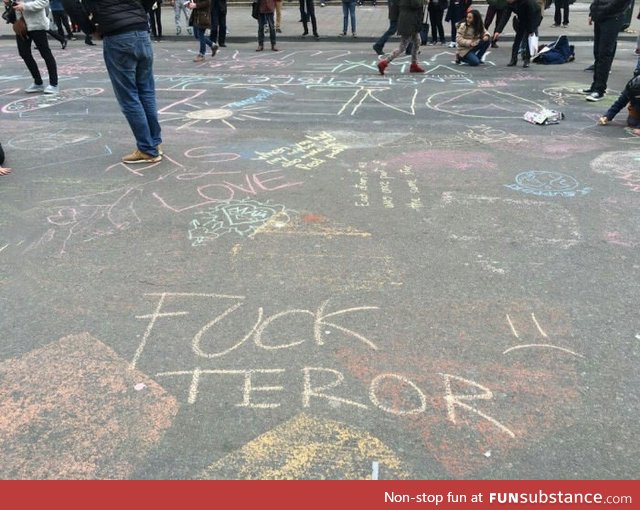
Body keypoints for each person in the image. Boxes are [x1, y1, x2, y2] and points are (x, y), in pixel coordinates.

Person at [83, 0, 163, 164]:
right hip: (141, 31)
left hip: (117, 34)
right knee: (146, 92)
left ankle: (147, 149)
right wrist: (139, 11)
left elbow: (70, 5)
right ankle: (154, 143)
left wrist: (91, 29)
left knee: (129, 96)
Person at [4, 0, 60, 94]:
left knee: (45, 53)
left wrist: (25, 6)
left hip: (37, 25)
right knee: (24, 53)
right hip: (21, 25)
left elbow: (44, 2)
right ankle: (38, 82)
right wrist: (9, 3)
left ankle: (54, 84)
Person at [583, 0, 630, 102]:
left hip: (612, 17)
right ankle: (595, 85)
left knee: (605, 54)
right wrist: (593, 12)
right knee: (598, 52)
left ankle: (599, 89)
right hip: (602, 16)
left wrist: (601, 11)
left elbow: (619, 3)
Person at [377, 0, 426, 75]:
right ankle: (384, 63)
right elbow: (415, 4)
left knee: (417, 42)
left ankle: (414, 64)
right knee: (402, 47)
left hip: (409, 20)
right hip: (410, 21)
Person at [494, 0, 541, 68]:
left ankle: (527, 60)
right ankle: (513, 59)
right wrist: (498, 31)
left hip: (534, 17)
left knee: (528, 40)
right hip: (521, 19)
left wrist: (532, 30)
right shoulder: (510, 4)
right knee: (517, 40)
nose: (507, 1)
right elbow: (505, 17)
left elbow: (532, 15)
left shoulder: (527, 2)